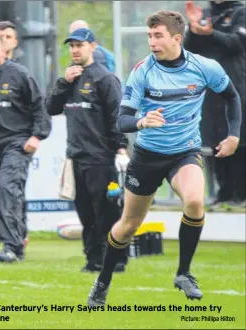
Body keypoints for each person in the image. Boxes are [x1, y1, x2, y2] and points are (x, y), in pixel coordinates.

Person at [87, 10, 242, 306]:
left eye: (158, 36)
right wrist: (142, 121)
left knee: (195, 201)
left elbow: (232, 97)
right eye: (149, 36)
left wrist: (233, 135)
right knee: (129, 224)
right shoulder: (143, 71)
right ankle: (102, 282)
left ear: (176, 38)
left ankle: (183, 273)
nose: (152, 42)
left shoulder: (204, 67)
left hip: (185, 152)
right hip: (147, 156)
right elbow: (122, 121)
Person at [46, 28, 129, 273]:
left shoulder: (105, 78)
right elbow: (50, 108)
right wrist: (64, 82)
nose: (75, 50)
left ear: (92, 46)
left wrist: (122, 147)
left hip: (101, 158)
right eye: (71, 46)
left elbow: (117, 115)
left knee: (107, 213)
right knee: (85, 215)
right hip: (76, 158)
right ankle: (93, 260)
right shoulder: (69, 78)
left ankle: (116, 259)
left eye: (80, 45)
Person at [0, 32, 51, 262]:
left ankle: (13, 247)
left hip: (15, 144)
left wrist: (37, 136)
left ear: (4, 49)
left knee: (8, 189)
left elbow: (39, 106)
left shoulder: (20, 74)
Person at [184, 0, 246, 208]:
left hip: (235, 86)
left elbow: (236, 44)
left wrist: (210, 33)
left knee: (237, 138)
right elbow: (190, 48)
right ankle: (223, 191)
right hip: (210, 88)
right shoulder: (206, 13)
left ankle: (240, 193)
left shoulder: (241, 12)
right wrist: (193, 30)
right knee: (216, 139)